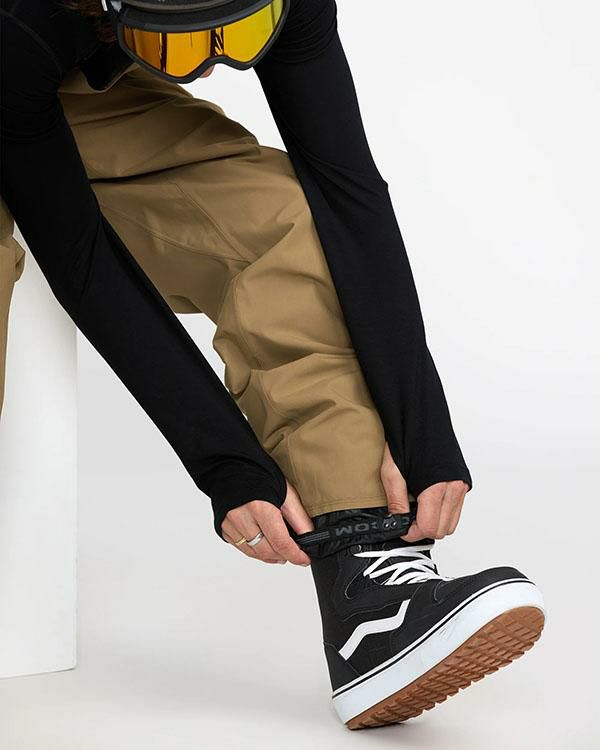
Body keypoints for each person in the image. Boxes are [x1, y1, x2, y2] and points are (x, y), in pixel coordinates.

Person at [0, 0, 545, 729]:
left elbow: (346, 187)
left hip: (55, 81)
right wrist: (224, 463)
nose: (209, 66)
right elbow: (83, 260)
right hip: (17, 46)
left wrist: (422, 424)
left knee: (274, 216)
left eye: (237, 37)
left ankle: (369, 586)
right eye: (178, 47)